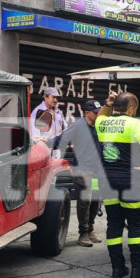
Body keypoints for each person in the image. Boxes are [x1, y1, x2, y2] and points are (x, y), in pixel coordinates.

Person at [95, 92, 140, 278]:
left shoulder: (102, 123)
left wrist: (108, 103)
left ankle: (117, 269)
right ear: (131, 109)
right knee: (136, 226)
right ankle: (138, 269)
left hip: (107, 181)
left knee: (114, 224)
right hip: (129, 181)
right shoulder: (134, 124)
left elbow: (99, 117)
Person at [54, 97, 111, 247]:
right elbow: (62, 139)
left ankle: (90, 229)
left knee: (95, 201)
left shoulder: (99, 126)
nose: (98, 114)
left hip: (97, 169)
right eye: (95, 112)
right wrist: (44, 142)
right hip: (82, 168)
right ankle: (83, 233)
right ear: (87, 113)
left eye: (99, 112)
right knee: (84, 201)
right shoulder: (78, 126)